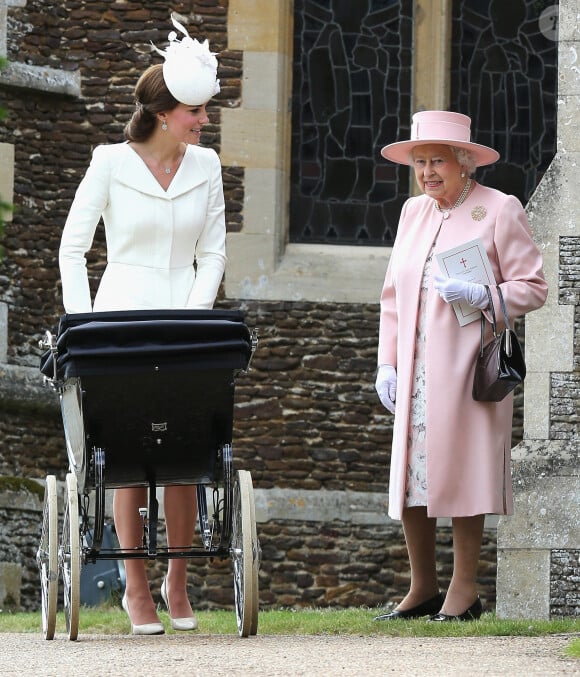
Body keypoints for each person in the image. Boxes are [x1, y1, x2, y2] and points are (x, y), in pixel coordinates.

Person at [59, 15, 226, 635]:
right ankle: (135, 588)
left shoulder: (205, 168)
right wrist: (82, 323)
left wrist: (195, 316)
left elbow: (212, 253)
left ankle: (177, 584)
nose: (204, 121)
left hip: (185, 317)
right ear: (164, 112)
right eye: (196, 112)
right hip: (118, 312)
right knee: (126, 449)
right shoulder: (109, 162)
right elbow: (72, 249)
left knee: (184, 452)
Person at [374, 110, 547, 621]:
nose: (427, 172)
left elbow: (533, 287)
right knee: (410, 475)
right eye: (420, 162)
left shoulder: (499, 209)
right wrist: (386, 363)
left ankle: (464, 589)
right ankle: (422, 586)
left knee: (467, 471)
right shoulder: (412, 213)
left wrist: (483, 293)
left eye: (438, 162)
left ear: (465, 162)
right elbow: (390, 298)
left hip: (470, 368)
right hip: (415, 366)